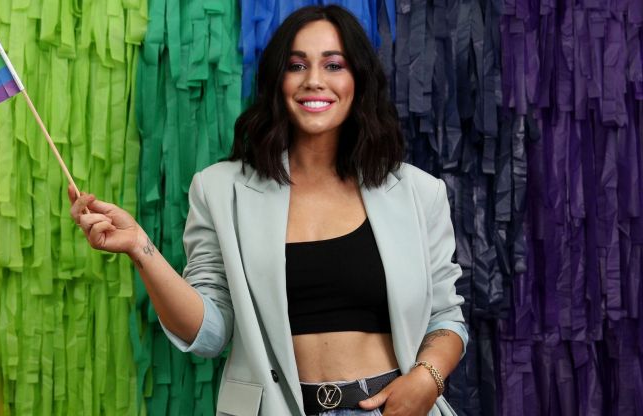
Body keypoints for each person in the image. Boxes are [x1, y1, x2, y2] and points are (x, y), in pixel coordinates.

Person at [70, 5, 467, 416]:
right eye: (297, 65)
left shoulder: (419, 192)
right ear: (278, 81)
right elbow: (209, 334)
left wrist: (427, 379)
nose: (314, 80)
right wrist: (140, 248)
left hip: (391, 407)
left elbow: (446, 317)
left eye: (334, 65)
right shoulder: (220, 190)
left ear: (358, 80)